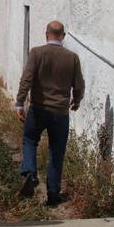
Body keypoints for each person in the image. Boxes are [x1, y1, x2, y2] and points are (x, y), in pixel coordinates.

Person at [15, 20, 85, 206]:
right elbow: (79, 84)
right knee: (57, 152)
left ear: (46, 34)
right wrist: (76, 100)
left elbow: (26, 79)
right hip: (60, 113)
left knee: (30, 140)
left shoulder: (37, 53)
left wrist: (20, 103)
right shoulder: (72, 58)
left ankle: (30, 171)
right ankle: (53, 195)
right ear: (62, 36)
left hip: (38, 108)